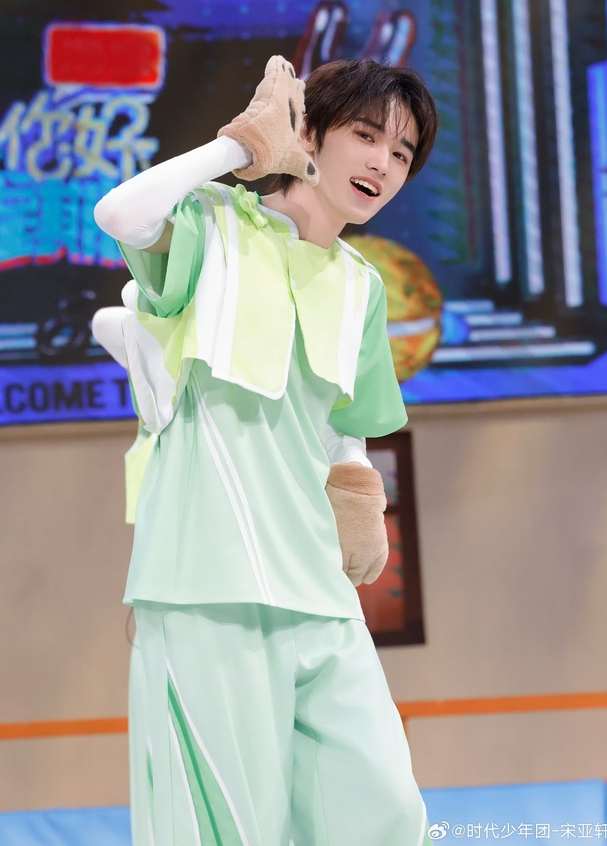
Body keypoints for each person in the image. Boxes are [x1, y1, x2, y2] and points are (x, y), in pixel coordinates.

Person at [94, 55, 438, 846]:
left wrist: (357, 485)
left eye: (402, 152)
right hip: (205, 589)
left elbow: (344, 419)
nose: (383, 163)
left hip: (319, 591)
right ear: (307, 134)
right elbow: (120, 213)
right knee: (230, 830)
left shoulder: (362, 284)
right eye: (366, 135)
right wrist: (238, 148)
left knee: (386, 812)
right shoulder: (214, 226)